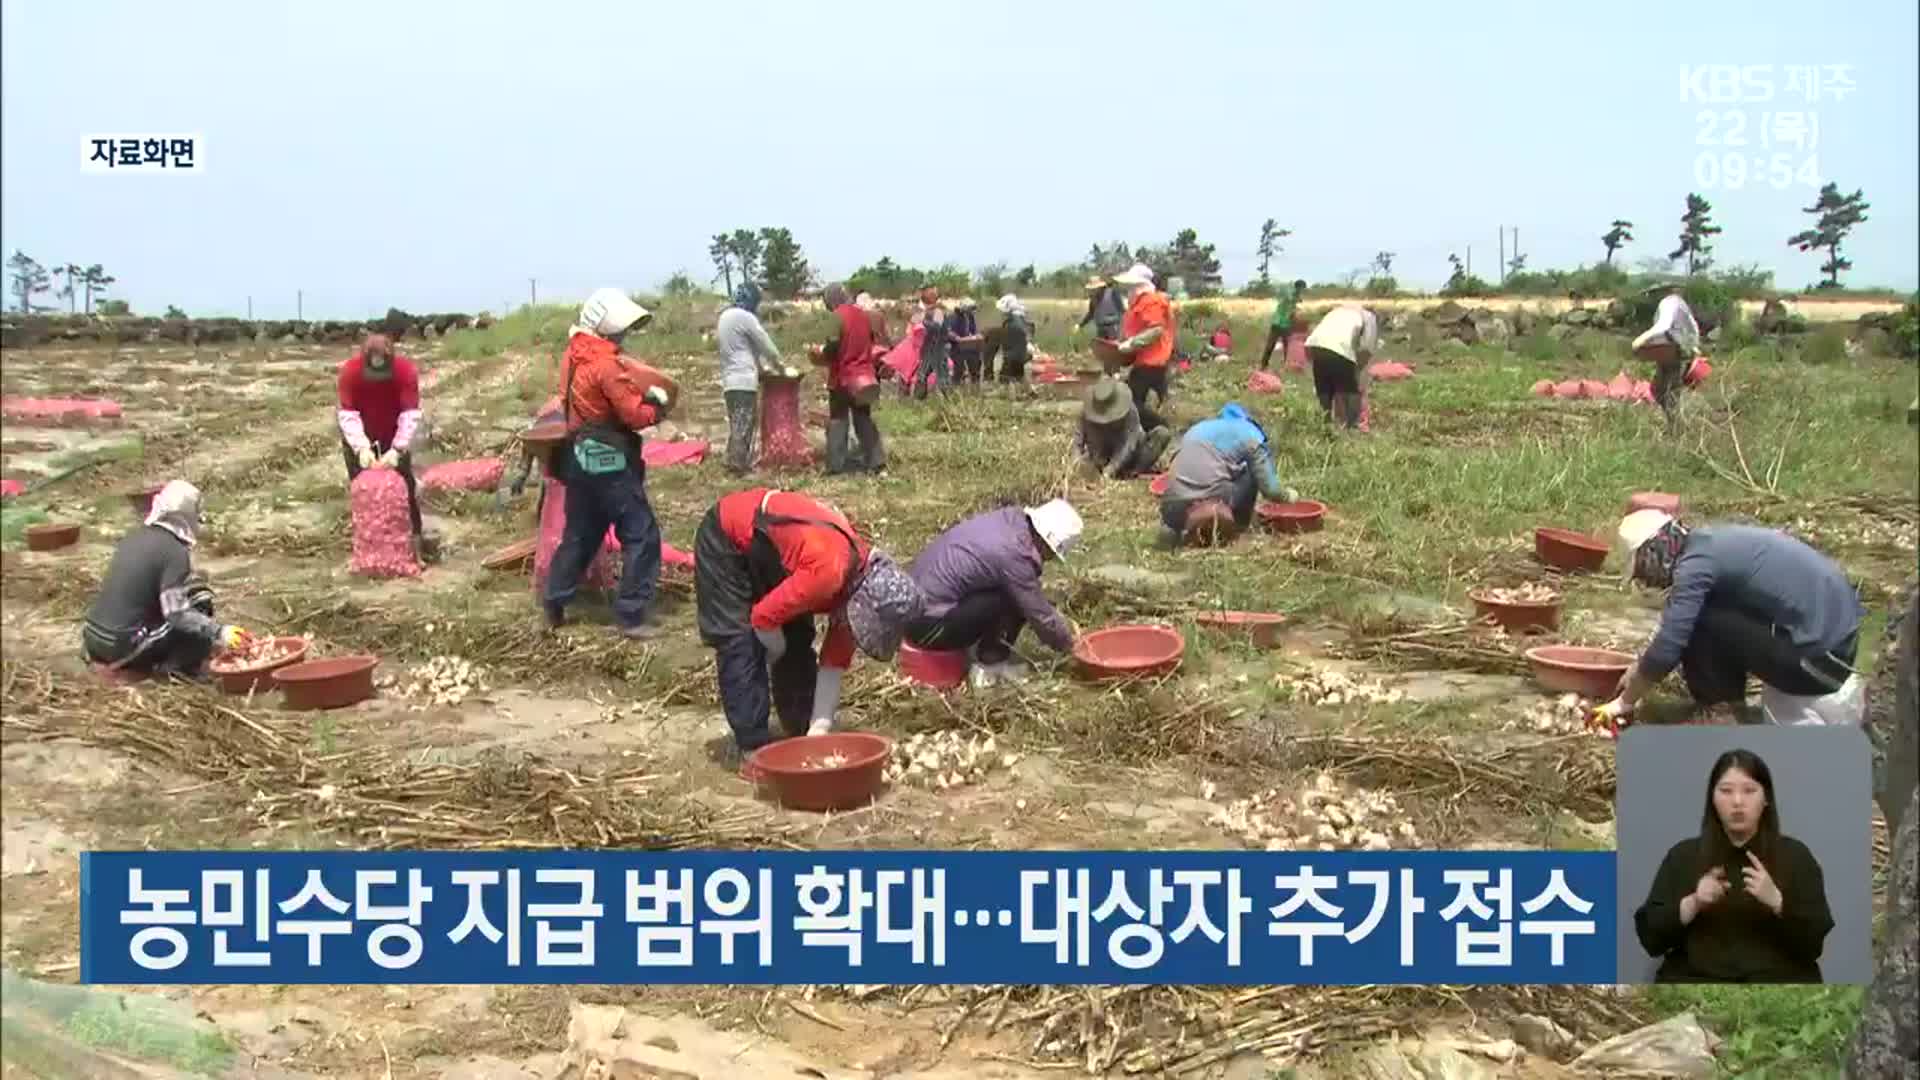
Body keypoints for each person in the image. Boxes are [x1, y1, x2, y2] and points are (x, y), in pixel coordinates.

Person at [693, 487, 925, 756]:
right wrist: (775, 649)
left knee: (797, 637)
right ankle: (752, 748)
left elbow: (833, 663)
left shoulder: (855, 584)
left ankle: (800, 728)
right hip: (729, 537)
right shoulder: (829, 572)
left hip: (782, 555)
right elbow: (762, 617)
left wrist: (819, 729)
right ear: (864, 604)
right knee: (740, 641)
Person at [1598, 510, 1866, 727]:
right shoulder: (1710, 543)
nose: (1647, 580)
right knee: (1706, 613)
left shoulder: (1696, 564)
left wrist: (1626, 701)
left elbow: (1669, 646)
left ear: (1652, 551)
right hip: (1835, 653)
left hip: (1816, 662)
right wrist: (1639, 667)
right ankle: (1728, 707)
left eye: (1642, 568)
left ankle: (1722, 713)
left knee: (1701, 621)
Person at [1633, 749, 1834, 983]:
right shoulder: (1684, 855)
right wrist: (1694, 902)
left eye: (1749, 791)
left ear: (1766, 798)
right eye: (1726, 791)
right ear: (1712, 798)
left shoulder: (1796, 856)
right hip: (1697, 980)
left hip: (1777, 983)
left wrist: (1778, 902)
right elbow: (1651, 939)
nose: (1737, 802)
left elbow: (1814, 945)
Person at [543, 288, 673, 638]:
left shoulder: (572, 357)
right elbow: (633, 415)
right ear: (608, 329)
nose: (623, 336)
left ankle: (554, 601)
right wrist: (657, 406)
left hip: (578, 458)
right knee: (642, 535)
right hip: (611, 463)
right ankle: (631, 614)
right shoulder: (606, 366)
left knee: (580, 535)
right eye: (621, 331)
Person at [81, 480, 252, 679]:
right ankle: (173, 670)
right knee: (200, 604)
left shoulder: (134, 537)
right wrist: (220, 632)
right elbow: (176, 614)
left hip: (93, 639)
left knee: (186, 602)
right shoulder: (174, 551)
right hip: (121, 645)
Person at [907, 499, 1083, 689]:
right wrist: (1070, 646)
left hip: (911, 608)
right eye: (1052, 554)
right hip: (927, 628)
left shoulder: (1010, 521)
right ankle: (989, 667)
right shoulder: (1016, 555)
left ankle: (980, 650)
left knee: (1012, 591)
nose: (1049, 559)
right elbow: (1038, 613)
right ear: (1047, 543)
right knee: (1014, 600)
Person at [337, 332, 432, 557]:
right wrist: (361, 447)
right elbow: (348, 414)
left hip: (393, 432)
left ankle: (413, 549)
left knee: (405, 489)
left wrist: (397, 449)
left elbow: (410, 414)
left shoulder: (404, 371)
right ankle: (368, 550)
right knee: (363, 491)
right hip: (359, 435)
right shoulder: (350, 372)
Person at [1158, 403, 1298, 545]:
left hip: (1171, 505)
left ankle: (1177, 530)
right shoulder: (1250, 434)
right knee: (1251, 470)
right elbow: (1271, 490)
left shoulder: (1199, 428)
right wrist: (1289, 496)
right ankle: (1239, 525)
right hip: (1211, 503)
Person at [715, 282, 786, 475]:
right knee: (744, 423)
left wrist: (761, 369)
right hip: (744, 380)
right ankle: (738, 467)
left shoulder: (724, 317)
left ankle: (731, 460)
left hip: (729, 381)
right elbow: (766, 345)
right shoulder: (745, 317)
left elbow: (745, 350)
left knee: (736, 422)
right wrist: (782, 367)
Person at [821, 283, 885, 474]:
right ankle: (876, 461)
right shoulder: (863, 316)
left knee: (838, 420)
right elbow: (871, 341)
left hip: (843, 376)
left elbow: (833, 345)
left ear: (830, 300)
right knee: (863, 418)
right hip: (864, 377)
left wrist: (822, 352)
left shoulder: (837, 316)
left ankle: (835, 466)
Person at [1112, 263, 1174, 430]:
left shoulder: (1151, 302)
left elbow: (1156, 330)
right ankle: (1152, 429)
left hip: (1152, 361)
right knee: (1143, 401)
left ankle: (1161, 427)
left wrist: (1132, 343)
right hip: (1144, 361)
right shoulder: (1139, 304)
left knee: (1131, 404)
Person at [1633, 289, 1703, 430]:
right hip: (1673, 351)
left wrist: (1640, 340)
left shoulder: (1668, 302)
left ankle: (1677, 430)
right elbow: (1691, 327)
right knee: (1660, 390)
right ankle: (1674, 425)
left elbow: (1663, 325)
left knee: (1669, 392)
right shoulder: (1679, 304)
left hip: (1676, 352)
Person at [1074, 376, 1170, 480]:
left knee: (1162, 433)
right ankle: (1112, 471)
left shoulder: (1130, 411)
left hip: (1131, 456)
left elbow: (1129, 445)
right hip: (1101, 456)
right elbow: (1078, 439)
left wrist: (1111, 469)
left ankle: (1132, 473)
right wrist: (1075, 462)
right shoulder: (1087, 412)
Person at [1303, 302, 1379, 430]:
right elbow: (1366, 347)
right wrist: (1357, 370)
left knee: (1325, 387)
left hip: (1314, 345)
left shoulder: (1338, 311)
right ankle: (1352, 425)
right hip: (1339, 347)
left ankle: (1326, 423)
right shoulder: (1369, 317)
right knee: (1350, 390)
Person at [495, 394, 564, 516]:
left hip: (544, 446)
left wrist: (522, 474)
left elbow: (528, 444)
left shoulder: (541, 419)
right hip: (559, 442)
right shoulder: (564, 407)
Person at [910, 285, 951, 400]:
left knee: (939, 375)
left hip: (936, 349)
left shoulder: (938, 311)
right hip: (932, 348)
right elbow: (914, 320)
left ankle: (947, 401)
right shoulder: (931, 311)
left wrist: (923, 321)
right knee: (924, 374)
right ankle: (919, 400)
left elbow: (937, 327)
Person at [1258, 280, 1308, 370]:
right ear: (1299, 287)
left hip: (1286, 325)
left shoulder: (1296, 298)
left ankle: (1287, 364)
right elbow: (1287, 299)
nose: (1302, 291)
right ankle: (1263, 364)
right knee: (1271, 345)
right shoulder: (1290, 295)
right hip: (1278, 323)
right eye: (1302, 289)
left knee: (1287, 346)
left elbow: (1292, 310)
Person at [996, 294, 1033, 384]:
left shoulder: (1011, 323)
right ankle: (1024, 392)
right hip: (1019, 356)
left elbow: (1007, 342)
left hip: (1012, 357)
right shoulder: (1019, 320)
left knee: (1005, 380)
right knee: (1018, 379)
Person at [1076, 276, 1127, 342]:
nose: (1093, 290)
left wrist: (1125, 328)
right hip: (1101, 329)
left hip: (1114, 329)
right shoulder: (1093, 299)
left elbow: (1122, 311)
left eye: (1095, 288)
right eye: (1092, 289)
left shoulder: (1113, 293)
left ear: (1100, 287)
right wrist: (1080, 325)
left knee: (1113, 347)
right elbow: (1091, 314)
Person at [949, 297, 985, 384]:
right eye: (970, 309)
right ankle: (956, 387)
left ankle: (975, 384)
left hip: (969, 345)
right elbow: (948, 332)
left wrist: (977, 335)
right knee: (958, 369)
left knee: (975, 364)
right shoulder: (953, 317)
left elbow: (973, 330)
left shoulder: (970, 316)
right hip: (956, 347)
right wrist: (957, 338)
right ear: (964, 308)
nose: (972, 311)